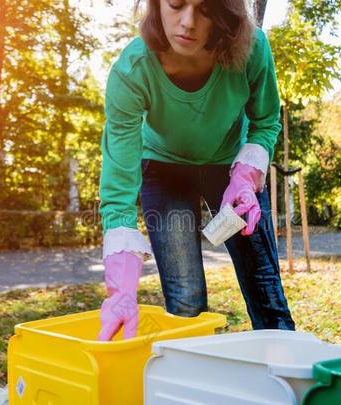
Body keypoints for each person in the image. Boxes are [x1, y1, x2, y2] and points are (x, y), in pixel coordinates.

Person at [97, 0, 295, 341]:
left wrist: (245, 177)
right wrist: (122, 284)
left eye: (204, 9)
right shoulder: (132, 71)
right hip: (164, 171)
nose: (187, 22)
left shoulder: (253, 48)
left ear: (224, 12)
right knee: (185, 300)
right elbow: (119, 182)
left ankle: (289, 375)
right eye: (175, 4)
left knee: (264, 284)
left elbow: (265, 121)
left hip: (230, 169)